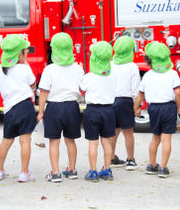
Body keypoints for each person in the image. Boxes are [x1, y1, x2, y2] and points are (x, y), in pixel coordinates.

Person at [0, 34, 37, 183]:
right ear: (19, 53)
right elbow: (33, 85)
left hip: (9, 110)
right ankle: (23, 172)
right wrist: (25, 63)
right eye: (25, 51)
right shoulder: (24, 69)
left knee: (6, 141)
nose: (27, 53)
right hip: (25, 106)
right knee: (25, 140)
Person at [37, 32, 84, 183]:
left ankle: (55, 172)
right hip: (72, 107)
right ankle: (72, 169)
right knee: (70, 140)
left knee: (54, 141)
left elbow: (44, 92)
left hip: (54, 108)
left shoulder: (49, 69)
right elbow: (82, 88)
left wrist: (41, 110)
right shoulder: (78, 68)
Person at [133, 42, 180, 178]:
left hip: (153, 108)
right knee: (166, 139)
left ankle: (151, 165)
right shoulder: (172, 74)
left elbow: (140, 95)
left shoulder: (148, 76)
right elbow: (177, 92)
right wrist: (178, 105)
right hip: (168, 107)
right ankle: (163, 167)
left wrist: (136, 107)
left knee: (155, 138)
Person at [80, 41, 117, 182]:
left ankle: (93, 172)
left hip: (93, 111)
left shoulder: (89, 76)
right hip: (108, 110)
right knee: (106, 141)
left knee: (93, 142)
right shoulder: (113, 76)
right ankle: (107, 170)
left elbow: (82, 88)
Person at [110, 35, 140, 170]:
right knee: (128, 132)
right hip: (126, 101)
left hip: (111, 100)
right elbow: (136, 88)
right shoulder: (132, 66)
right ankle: (130, 159)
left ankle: (111, 157)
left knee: (113, 131)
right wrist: (136, 106)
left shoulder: (110, 64)